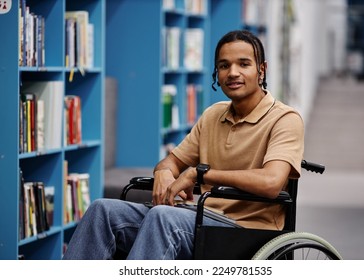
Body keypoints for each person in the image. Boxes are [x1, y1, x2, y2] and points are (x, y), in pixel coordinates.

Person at [62, 30, 304, 260]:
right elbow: (172, 161)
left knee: (163, 217)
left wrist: (200, 175)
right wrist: (165, 172)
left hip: (246, 228)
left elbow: (272, 182)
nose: (232, 72)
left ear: (261, 70)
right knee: (102, 211)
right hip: (200, 215)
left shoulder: (285, 119)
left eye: (243, 64)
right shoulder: (213, 115)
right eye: (223, 65)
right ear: (216, 73)